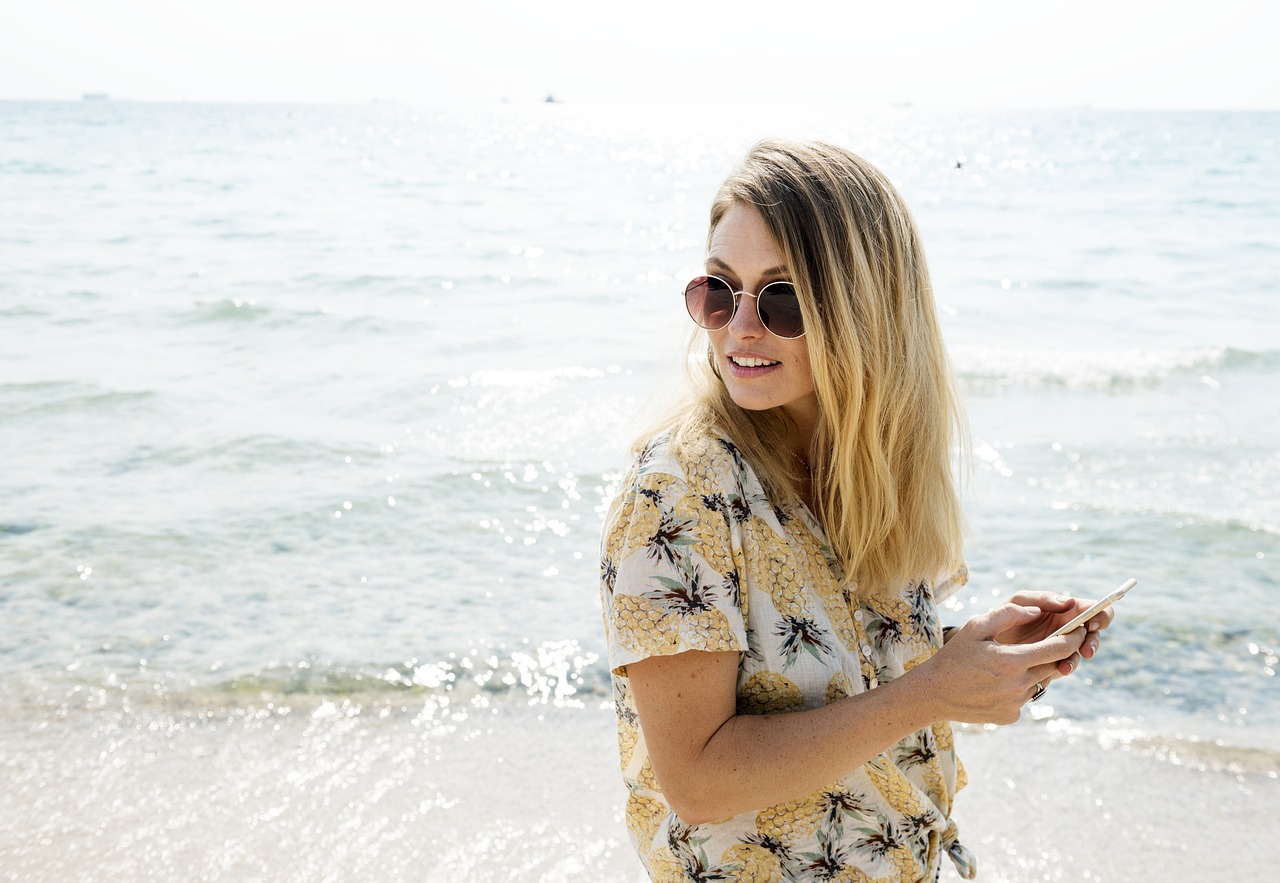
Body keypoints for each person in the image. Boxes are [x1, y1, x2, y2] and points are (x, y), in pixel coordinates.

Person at [598, 139, 1114, 882]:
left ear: (865, 307)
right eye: (719, 288)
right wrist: (930, 692)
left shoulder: (853, 472)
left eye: (782, 299)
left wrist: (976, 658)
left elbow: (830, 671)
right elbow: (699, 780)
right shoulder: (679, 489)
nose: (739, 326)